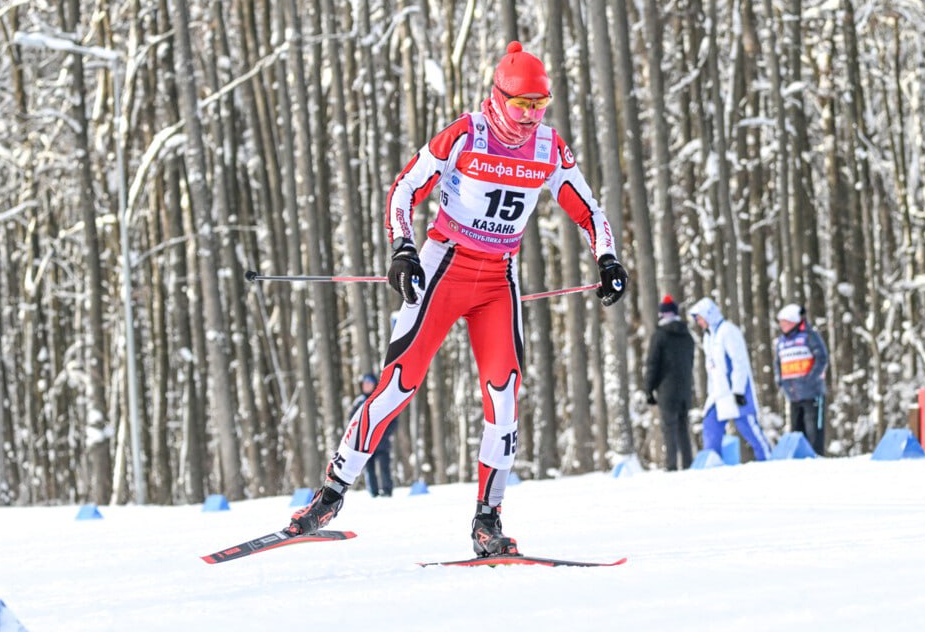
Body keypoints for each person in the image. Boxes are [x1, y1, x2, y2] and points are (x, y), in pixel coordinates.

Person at [287, 42, 628, 557]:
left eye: (540, 105)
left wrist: (607, 259)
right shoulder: (467, 133)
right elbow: (404, 188)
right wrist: (402, 249)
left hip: (498, 281)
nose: (531, 117)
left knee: (505, 396)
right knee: (398, 386)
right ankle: (330, 494)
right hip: (442, 267)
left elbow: (588, 209)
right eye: (522, 106)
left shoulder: (548, 149)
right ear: (499, 98)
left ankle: (487, 520)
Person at [686, 297, 772, 461]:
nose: (699, 322)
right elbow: (711, 368)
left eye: (700, 318)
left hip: (736, 391)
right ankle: (712, 464)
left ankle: (767, 459)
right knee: (710, 426)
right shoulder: (708, 337)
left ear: (709, 315)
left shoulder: (728, 331)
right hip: (718, 393)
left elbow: (739, 362)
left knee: (749, 429)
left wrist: (738, 391)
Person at [644, 295, 695, 471]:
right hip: (685, 389)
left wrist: (649, 390)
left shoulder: (659, 336)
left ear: (662, 314)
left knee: (668, 428)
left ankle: (671, 465)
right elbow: (690, 362)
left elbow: (652, 364)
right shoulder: (687, 335)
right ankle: (688, 464)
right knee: (683, 428)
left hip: (666, 390)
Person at [773, 304, 829, 456]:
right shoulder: (781, 341)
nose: (781, 326)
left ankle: (817, 458)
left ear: (793, 321)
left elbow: (822, 358)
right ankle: (800, 461)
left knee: (814, 432)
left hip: (812, 392)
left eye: (784, 322)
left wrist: (810, 379)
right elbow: (778, 363)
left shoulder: (809, 336)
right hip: (793, 394)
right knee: (797, 432)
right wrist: (781, 381)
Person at [351, 373, 394, 497]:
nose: (366, 386)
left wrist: (385, 433)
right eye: (364, 383)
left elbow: (392, 419)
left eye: (369, 383)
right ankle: (373, 492)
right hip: (365, 444)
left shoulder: (381, 399)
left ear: (375, 384)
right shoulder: (358, 403)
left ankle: (387, 491)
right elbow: (352, 422)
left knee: (384, 467)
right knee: (369, 469)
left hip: (381, 442)